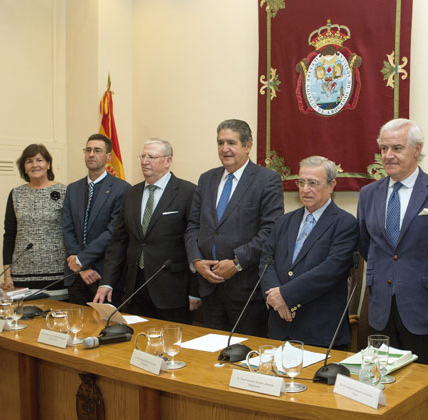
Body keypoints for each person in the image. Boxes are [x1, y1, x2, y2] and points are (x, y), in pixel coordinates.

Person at [357, 118, 428, 367]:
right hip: (381, 311)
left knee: (426, 394)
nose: (388, 155)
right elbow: (366, 244)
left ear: (417, 149)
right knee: (382, 388)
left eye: (397, 148)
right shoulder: (368, 194)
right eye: (384, 148)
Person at [186, 119, 284, 337]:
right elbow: (193, 225)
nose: (224, 149)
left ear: (248, 145)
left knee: (245, 356)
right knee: (211, 356)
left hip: (246, 289)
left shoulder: (267, 180)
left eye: (231, 142)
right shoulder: (206, 179)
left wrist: (237, 263)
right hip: (209, 287)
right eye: (220, 143)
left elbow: (270, 230)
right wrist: (196, 261)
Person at [93, 138, 198, 324]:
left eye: (151, 156)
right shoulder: (131, 193)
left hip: (173, 291)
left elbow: (195, 243)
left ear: (167, 161)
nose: (144, 161)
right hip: (135, 288)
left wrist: (195, 291)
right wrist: (107, 282)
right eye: (142, 156)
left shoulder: (188, 192)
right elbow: (118, 241)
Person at [261, 156, 358, 348]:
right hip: (280, 327)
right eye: (301, 182)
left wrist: (286, 296)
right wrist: (275, 299)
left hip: (320, 331)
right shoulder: (284, 221)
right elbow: (266, 261)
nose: (305, 189)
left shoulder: (345, 223)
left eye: (313, 183)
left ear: (331, 185)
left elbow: (331, 270)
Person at [62, 134, 130, 305]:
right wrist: (80, 266)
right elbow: (67, 229)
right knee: (76, 328)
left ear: (108, 157)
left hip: (103, 274)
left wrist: (82, 260)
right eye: (88, 150)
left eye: (97, 150)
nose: (91, 154)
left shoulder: (122, 188)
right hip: (76, 275)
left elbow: (112, 232)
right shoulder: (72, 189)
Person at [2, 144, 68, 300]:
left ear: (48, 164)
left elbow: (71, 232)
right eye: (29, 161)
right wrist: (7, 275)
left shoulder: (65, 192)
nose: (35, 165)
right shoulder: (16, 194)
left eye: (39, 160)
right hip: (22, 276)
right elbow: (9, 235)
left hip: (57, 274)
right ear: (24, 168)